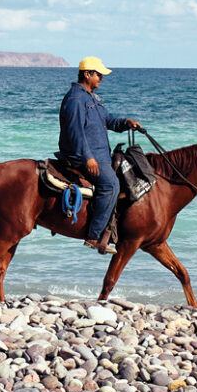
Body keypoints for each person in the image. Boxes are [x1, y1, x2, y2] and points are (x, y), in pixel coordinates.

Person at [57, 57, 141, 254]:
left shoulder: (92, 97)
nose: (102, 78)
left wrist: (125, 123)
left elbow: (108, 120)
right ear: (87, 74)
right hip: (84, 155)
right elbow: (75, 132)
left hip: (101, 153)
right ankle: (94, 236)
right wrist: (88, 157)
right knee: (111, 185)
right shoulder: (76, 99)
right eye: (99, 74)